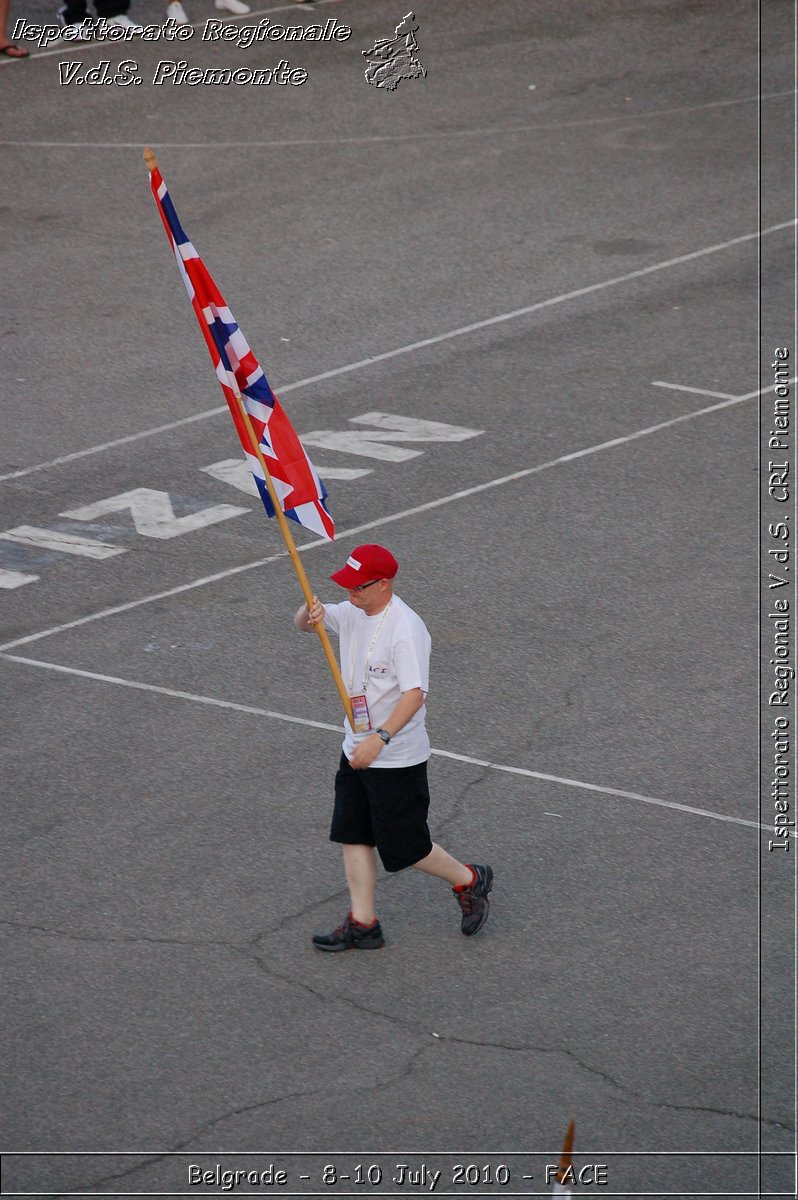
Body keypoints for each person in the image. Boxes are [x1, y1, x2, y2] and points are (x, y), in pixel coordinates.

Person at [294, 543, 493, 951]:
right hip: (356, 746)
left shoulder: (406, 628)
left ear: (384, 584)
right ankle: (363, 923)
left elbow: (415, 694)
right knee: (353, 834)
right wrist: (308, 611)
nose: (350, 593)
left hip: (395, 756)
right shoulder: (353, 610)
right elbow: (308, 622)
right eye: (346, 586)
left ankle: (469, 879)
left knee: (408, 848)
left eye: (358, 587)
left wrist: (380, 739)